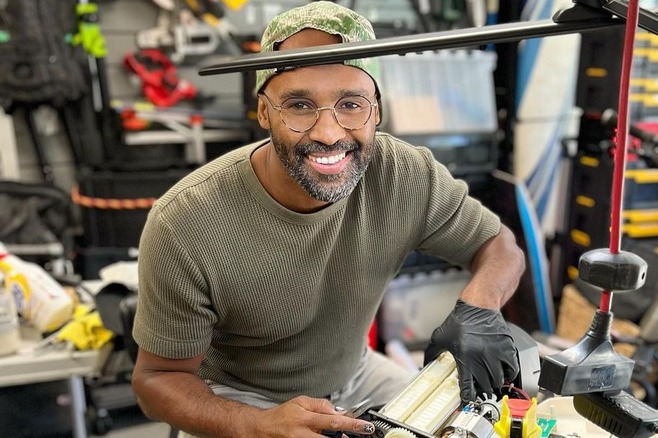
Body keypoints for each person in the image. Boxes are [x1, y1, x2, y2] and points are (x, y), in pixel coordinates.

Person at [131, 2, 526, 437]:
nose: (329, 133)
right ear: (264, 112)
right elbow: (156, 382)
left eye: (351, 104)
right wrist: (258, 425)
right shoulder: (186, 223)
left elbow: (499, 246)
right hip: (236, 397)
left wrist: (480, 308)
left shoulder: (404, 174)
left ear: (377, 109)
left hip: (354, 374)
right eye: (299, 105)